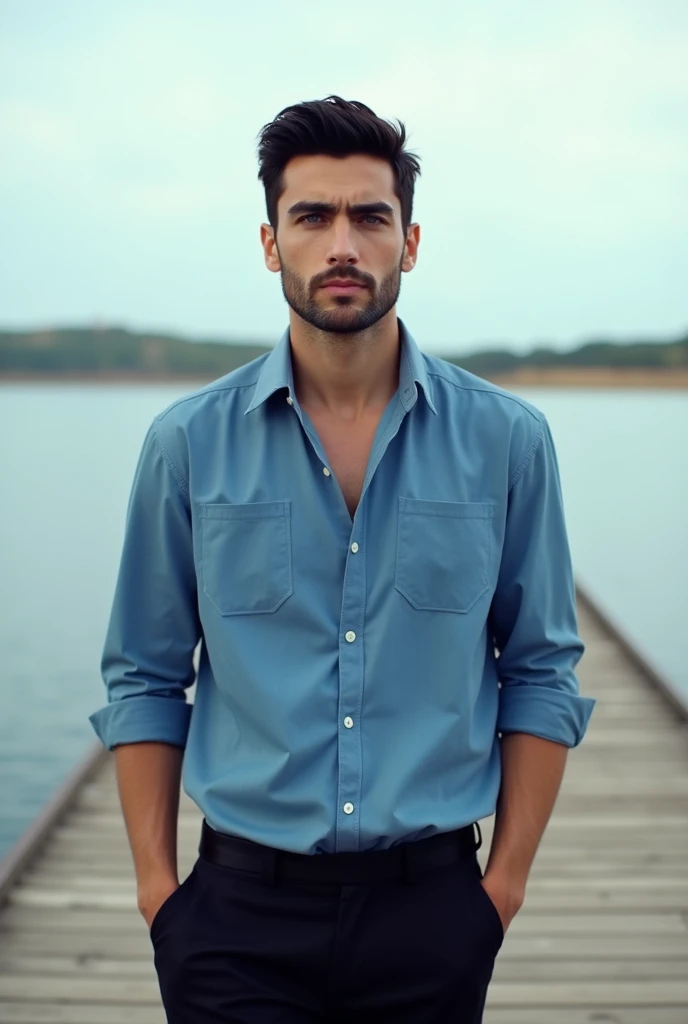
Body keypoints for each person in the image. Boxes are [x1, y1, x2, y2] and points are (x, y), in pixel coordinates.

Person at [90, 95, 596, 1023]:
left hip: (434, 909)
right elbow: (145, 676)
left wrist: (503, 887)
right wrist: (160, 895)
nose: (342, 245)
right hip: (235, 915)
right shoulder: (188, 444)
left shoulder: (507, 440)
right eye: (311, 216)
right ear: (270, 241)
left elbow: (541, 668)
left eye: (370, 216)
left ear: (409, 241)